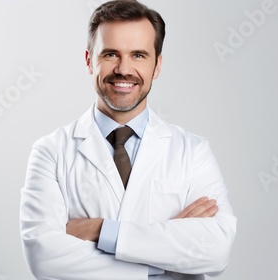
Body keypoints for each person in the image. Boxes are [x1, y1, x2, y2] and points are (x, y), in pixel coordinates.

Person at [20, 1, 237, 279]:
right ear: (89, 60)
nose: (124, 69)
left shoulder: (192, 151)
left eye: (138, 55)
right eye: (110, 54)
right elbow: (46, 260)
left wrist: (102, 231)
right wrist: (167, 258)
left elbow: (216, 249)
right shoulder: (50, 152)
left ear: (157, 65)